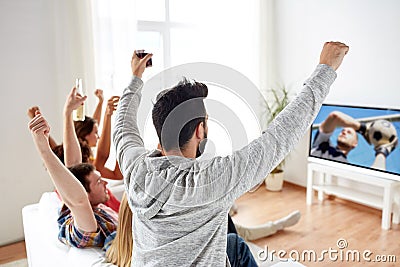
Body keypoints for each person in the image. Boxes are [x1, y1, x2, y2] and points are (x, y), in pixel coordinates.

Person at [113, 42, 349, 266]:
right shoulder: (212, 180)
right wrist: (326, 69)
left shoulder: (136, 169)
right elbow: (280, 137)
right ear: (199, 130)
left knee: (232, 241)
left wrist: (135, 77)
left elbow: (123, 123)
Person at [311, 111, 398, 169]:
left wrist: (382, 152)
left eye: (349, 132)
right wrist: (362, 128)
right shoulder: (322, 144)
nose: (344, 132)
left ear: (355, 143)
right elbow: (334, 116)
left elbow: (378, 179)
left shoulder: (347, 167)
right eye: (343, 131)